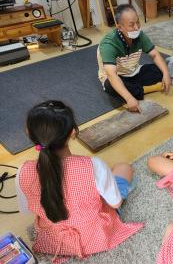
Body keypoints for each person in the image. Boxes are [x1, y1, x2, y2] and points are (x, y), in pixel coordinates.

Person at [16, 100, 143, 261]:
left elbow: (28, 210)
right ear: (73, 133)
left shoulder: (23, 171)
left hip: (55, 241)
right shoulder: (93, 165)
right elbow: (115, 203)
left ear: (28, 132)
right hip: (95, 237)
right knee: (124, 168)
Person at [97, 4, 171, 112]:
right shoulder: (109, 44)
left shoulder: (139, 35)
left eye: (138, 22)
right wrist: (129, 98)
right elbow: (111, 75)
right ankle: (144, 90)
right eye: (131, 25)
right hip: (117, 77)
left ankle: (135, 90)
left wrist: (166, 74)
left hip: (133, 71)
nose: (136, 27)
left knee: (161, 70)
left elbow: (155, 55)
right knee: (110, 86)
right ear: (120, 27)